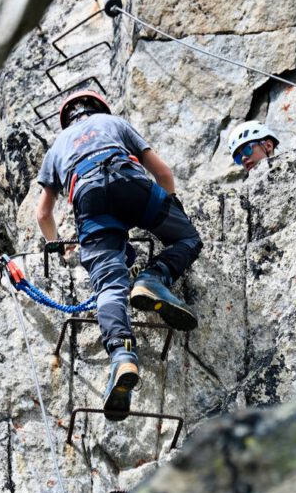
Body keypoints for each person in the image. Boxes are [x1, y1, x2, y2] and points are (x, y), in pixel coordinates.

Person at [35, 90, 203, 421]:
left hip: (89, 198)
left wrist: (61, 245)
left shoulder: (56, 149)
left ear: (67, 118)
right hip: (130, 182)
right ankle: (152, 279)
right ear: (99, 109)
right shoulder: (114, 122)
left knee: (109, 286)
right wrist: (167, 209)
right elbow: (164, 174)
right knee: (188, 239)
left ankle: (123, 356)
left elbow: (43, 214)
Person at [228, 121, 296, 246]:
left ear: (268, 145)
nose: (243, 158)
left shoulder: (295, 162)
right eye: (238, 158)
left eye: (247, 150)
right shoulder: (247, 194)